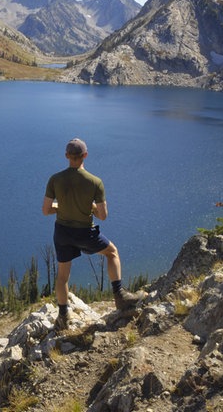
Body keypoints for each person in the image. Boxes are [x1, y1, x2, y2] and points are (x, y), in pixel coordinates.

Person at [42, 138, 141, 329]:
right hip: (85, 233)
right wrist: (92, 207)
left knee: (62, 276)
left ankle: (63, 316)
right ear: (85, 155)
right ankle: (119, 295)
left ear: (66, 156)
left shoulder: (55, 179)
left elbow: (46, 210)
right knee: (112, 253)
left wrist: (61, 207)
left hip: (62, 233)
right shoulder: (95, 182)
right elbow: (102, 215)